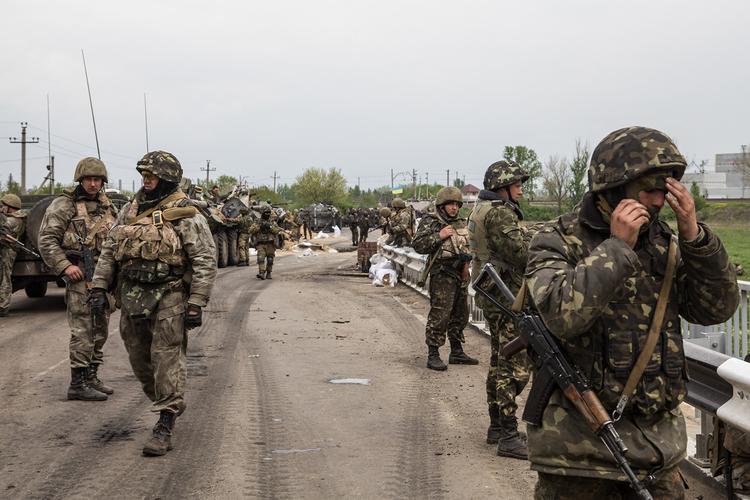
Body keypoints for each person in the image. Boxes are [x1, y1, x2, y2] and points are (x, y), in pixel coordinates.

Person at [524, 126, 739, 498]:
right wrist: (617, 247)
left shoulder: (666, 245)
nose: (659, 202)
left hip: (659, 455)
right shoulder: (556, 239)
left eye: (667, 190)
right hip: (580, 458)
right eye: (650, 190)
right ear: (612, 188)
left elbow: (715, 309)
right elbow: (562, 316)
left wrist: (696, 239)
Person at [90, 150, 216, 456]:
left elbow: (204, 259)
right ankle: (168, 401)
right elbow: (110, 249)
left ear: (167, 177)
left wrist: (196, 301)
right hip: (132, 295)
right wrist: (98, 286)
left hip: (169, 295)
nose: (147, 180)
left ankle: (165, 421)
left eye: (152, 175)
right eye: (144, 175)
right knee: (139, 360)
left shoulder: (186, 213)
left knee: (166, 359)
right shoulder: (129, 210)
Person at [469, 160, 535, 459]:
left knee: (499, 360)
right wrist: (541, 241)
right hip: (506, 297)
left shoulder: (483, 208)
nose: (520, 189)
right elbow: (520, 253)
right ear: (502, 188)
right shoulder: (498, 213)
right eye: (517, 184)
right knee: (515, 366)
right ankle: (508, 435)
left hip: (492, 293)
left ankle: (497, 427)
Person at [38, 158, 118, 401]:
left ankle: (92, 375)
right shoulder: (64, 205)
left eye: (97, 180)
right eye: (89, 179)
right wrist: (65, 266)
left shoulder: (107, 207)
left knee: (101, 329)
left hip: (103, 279)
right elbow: (47, 239)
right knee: (83, 330)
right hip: (80, 276)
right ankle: (78, 383)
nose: (93, 184)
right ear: (80, 180)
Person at [411, 187, 478, 371]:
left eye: (457, 204)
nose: (454, 208)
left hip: (461, 274)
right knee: (440, 315)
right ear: (442, 206)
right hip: (442, 275)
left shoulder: (461, 223)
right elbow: (418, 244)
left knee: (460, 314)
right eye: (450, 204)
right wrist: (439, 236)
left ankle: (456, 351)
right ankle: (433, 354)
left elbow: (468, 248)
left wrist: (466, 267)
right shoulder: (432, 222)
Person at [0, 194, 26, 317]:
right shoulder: (14, 218)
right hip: (5, 250)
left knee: (4, 278)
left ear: (10, 207)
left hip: (7, 251)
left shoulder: (14, 220)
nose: (1, 209)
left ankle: (2, 306)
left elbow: (5, 231)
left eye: (3, 206)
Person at [249, 205, 281, 280]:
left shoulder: (272, 221)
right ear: (262, 213)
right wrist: (259, 227)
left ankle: (269, 273)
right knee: (261, 259)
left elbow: (277, 231)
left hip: (270, 243)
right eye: (265, 212)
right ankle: (262, 272)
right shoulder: (257, 221)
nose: (267, 214)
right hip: (261, 243)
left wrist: (269, 227)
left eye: (268, 213)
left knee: (270, 259)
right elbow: (251, 230)